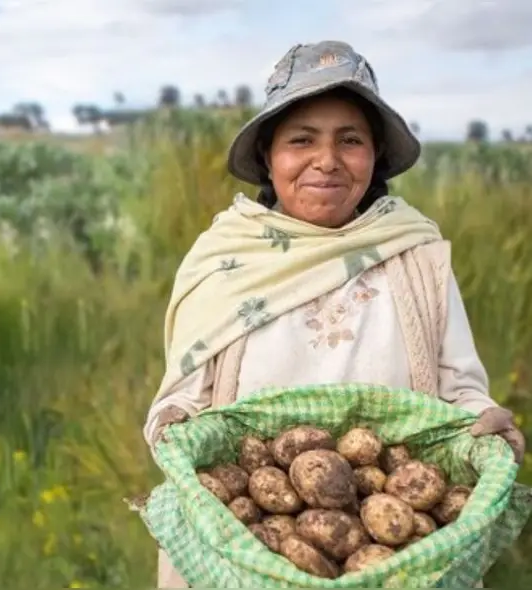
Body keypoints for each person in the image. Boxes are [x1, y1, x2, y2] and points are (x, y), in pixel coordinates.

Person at [141, 40, 526, 588]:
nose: (327, 160)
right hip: (246, 555)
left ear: (374, 156)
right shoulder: (225, 259)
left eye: (350, 140)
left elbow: (459, 391)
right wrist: (174, 425)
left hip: (394, 558)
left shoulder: (416, 255)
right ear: (270, 159)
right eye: (302, 140)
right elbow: (181, 398)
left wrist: (484, 424)